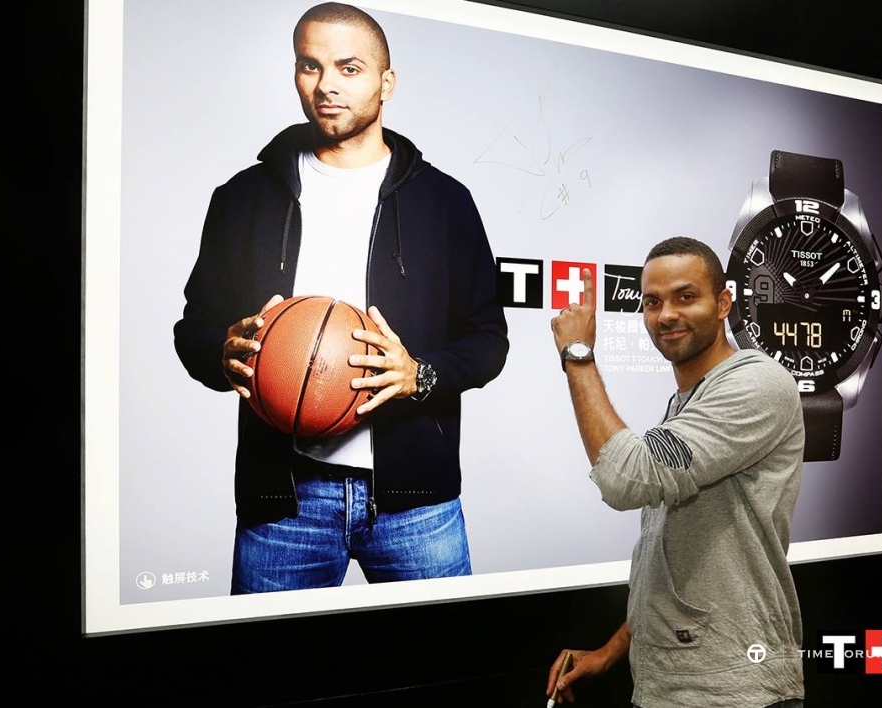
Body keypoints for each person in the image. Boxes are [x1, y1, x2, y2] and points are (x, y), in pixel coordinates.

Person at [173, 3, 508, 593]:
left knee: (444, 672)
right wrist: (220, 354)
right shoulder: (243, 197)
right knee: (269, 681)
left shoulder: (445, 202)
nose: (326, 84)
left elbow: (488, 341)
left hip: (416, 506)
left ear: (387, 82)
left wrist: (419, 377)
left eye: (349, 68)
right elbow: (194, 326)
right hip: (284, 504)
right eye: (310, 65)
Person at [546, 237, 804, 707]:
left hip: (736, 690)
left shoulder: (757, 384)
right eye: (652, 302)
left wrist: (578, 353)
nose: (665, 315)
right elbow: (681, 567)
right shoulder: (687, 402)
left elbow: (626, 478)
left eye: (686, 296)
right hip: (676, 685)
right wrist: (611, 651)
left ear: (724, 302)